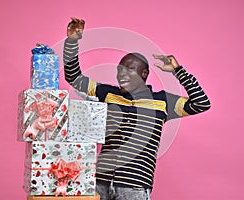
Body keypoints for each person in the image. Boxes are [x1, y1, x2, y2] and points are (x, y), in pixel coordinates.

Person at [63, 17, 211, 200]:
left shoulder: (163, 101)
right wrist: (72, 41)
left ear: (144, 74)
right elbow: (74, 78)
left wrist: (177, 71)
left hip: (134, 189)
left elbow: (201, 103)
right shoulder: (108, 93)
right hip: (99, 184)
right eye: (119, 69)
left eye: (129, 69)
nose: (121, 74)